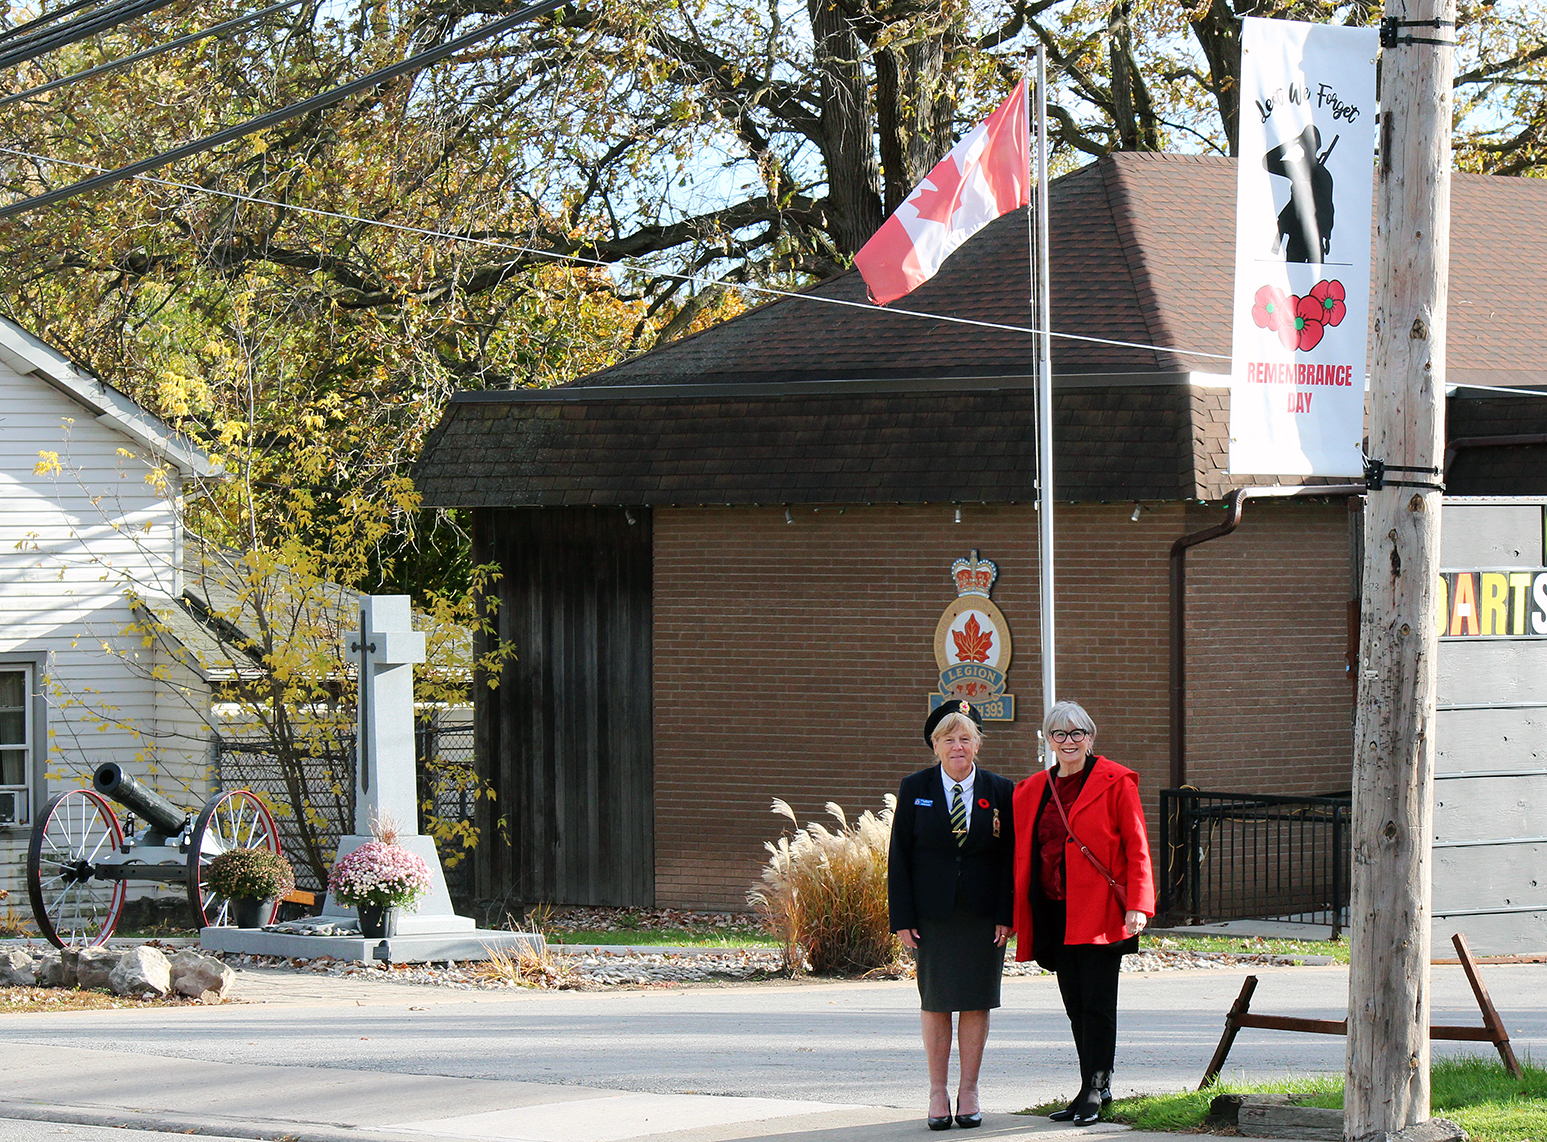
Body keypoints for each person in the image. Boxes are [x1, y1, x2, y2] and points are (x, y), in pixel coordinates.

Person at [1012, 700, 1154, 1125]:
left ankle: (1096, 1086)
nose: (1068, 741)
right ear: (1048, 741)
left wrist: (1138, 904)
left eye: (1077, 733)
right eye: (1059, 734)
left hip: (1100, 911)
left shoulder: (1116, 781)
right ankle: (1088, 1085)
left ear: (1091, 738)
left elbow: (1137, 845)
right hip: (1054, 912)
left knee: (1097, 1002)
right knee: (1075, 1003)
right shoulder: (1033, 789)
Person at [888, 699, 1016, 1131]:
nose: (957, 746)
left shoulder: (1001, 790)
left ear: (978, 744)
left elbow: (1009, 858)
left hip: (983, 916)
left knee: (977, 1001)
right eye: (948, 738)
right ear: (935, 745)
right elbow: (899, 857)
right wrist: (902, 917)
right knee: (937, 1001)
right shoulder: (915, 787)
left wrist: (1006, 912)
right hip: (932, 916)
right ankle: (937, 1092)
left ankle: (969, 1090)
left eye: (965, 738)